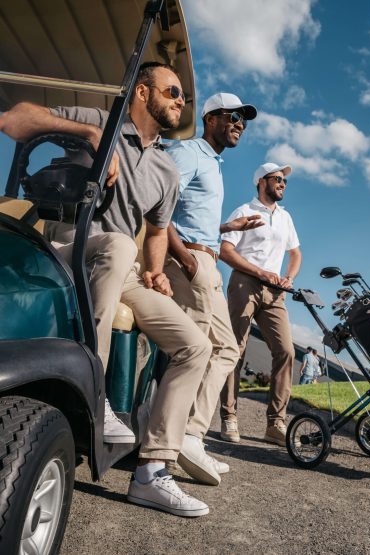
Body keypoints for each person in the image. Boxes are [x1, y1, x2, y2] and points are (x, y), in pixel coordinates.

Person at [0, 62, 213, 517]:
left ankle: (152, 472)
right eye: (173, 91)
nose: (180, 101)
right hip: (63, 242)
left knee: (196, 344)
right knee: (116, 244)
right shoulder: (99, 121)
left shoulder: (167, 170)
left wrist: (156, 270)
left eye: (183, 97)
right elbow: (12, 121)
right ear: (142, 91)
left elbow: (156, 232)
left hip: (123, 268)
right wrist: (88, 134)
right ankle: (95, 393)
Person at [165, 92, 261, 485]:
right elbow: (157, 208)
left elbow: (193, 213)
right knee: (200, 350)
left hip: (206, 258)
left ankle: (191, 435)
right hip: (191, 260)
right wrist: (186, 259)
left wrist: (226, 228)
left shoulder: (213, 164)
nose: (240, 123)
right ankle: (172, 443)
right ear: (210, 118)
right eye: (233, 116)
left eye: (244, 119)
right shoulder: (188, 153)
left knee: (226, 349)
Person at [219, 162, 302, 446]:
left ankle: (275, 423)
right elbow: (225, 251)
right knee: (236, 349)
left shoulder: (285, 217)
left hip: (275, 292)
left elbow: (295, 253)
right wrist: (259, 272)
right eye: (277, 178)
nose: (282, 183)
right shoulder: (244, 211)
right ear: (261, 181)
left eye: (285, 181)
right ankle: (229, 416)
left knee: (286, 351)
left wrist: (288, 277)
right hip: (245, 283)